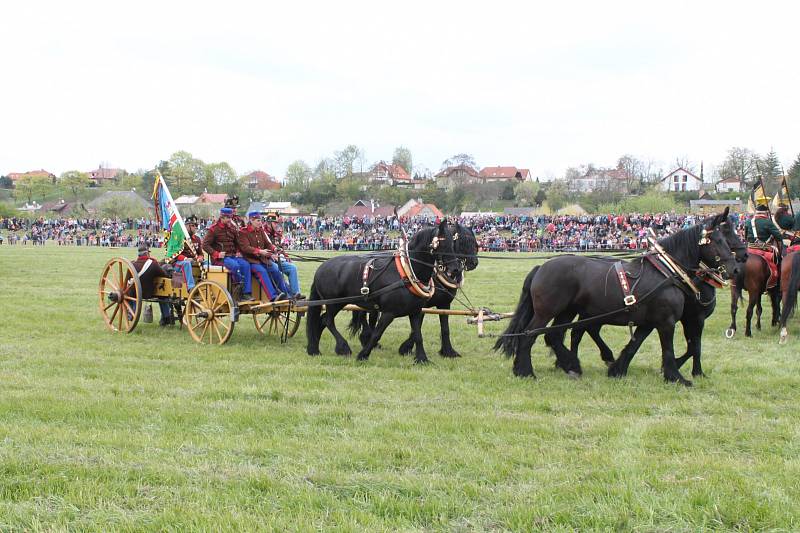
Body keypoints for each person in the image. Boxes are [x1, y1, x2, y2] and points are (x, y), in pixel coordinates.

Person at [202, 207, 254, 301]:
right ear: (222, 217)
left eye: (230, 217)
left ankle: (246, 293)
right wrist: (216, 254)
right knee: (235, 266)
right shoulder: (213, 229)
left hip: (232, 256)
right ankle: (238, 290)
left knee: (246, 265)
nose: (230, 220)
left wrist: (238, 251)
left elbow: (237, 242)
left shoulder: (232, 228)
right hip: (220, 259)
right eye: (228, 218)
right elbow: (205, 245)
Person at [237, 211, 288, 302]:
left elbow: (268, 244)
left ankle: (286, 294)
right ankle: (273, 297)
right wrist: (260, 251)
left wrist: (275, 249)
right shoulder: (243, 232)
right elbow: (245, 248)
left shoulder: (260, 231)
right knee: (262, 271)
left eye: (260, 220)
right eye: (258, 220)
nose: (260, 223)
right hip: (250, 261)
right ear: (251, 221)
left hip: (262, 260)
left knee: (275, 270)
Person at [264, 211, 305, 299]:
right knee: (276, 269)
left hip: (277, 259)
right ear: (269, 223)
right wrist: (271, 254)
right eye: (275, 223)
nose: (276, 225)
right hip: (267, 261)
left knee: (292, 268)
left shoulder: (275, 234)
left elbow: (279, 247)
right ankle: (285, 293)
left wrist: (286, 255)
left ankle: (295, 293)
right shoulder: (263, 233)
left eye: (277, 223)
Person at [132, 243, 174, 326]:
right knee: (163, 295)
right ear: (147, 253)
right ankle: (166, 317)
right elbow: (164, 275)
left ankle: (131, 312)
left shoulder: (132, 265)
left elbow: (128, 280)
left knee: (130, 294)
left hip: (135, 293)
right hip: (150, 293)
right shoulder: (153, 264)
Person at [170, 215, 204, 291]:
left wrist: (200, 258)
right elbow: (174, 254)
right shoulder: (178, 237)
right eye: (193, 225)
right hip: (178, 263)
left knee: (207, 263)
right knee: (186, 263)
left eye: (196, 225)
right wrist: (186, 258)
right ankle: (191, 287)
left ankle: (205, 282)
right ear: (186, 226)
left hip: (194, 262)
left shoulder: (197, 239)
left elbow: (201, 253)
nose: (195, 227)